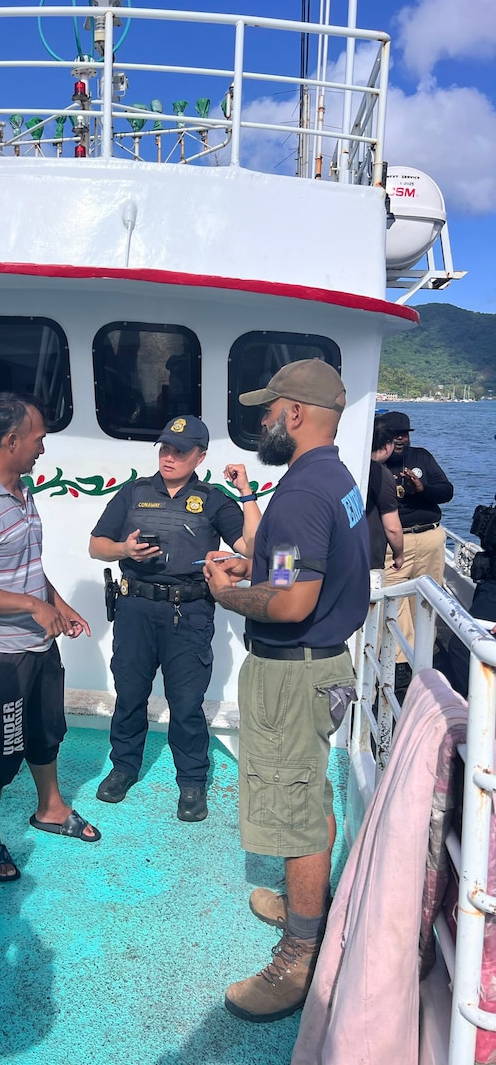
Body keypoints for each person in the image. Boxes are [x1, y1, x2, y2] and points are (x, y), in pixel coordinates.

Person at [202, 359, 370, 1023]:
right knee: (311, 793)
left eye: (269, 408)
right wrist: (255, 565)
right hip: (325, 667)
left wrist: (228, 591)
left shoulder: (300, 492)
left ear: (295, 414)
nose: (263, 419)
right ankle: (309, 905)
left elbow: (295, 600)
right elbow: (304, 567)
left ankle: (299, 956)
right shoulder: (334, 478)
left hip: (294, 673)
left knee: (295, 811)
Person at [0, 392, 99, 885]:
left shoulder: (23, 495)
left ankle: (50, 808)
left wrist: (57, 605)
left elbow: (27, 570)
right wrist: (34, 607)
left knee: (47, 732)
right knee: (1, 749)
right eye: (37, 439)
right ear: (11, 441)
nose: (42, 448)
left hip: (38, 649)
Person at [89, 416, 260, 822]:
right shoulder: (133, 492)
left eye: (180, 451)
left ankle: (192, 782)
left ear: (200, 456)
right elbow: (97, 546)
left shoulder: (214, 499)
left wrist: (245, 493)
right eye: (165, 448)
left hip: (189, 613)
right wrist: (125, 551)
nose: (169, 457)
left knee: (186, 703)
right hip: (135, 609)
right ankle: (124, 767)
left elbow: (254, 548)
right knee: (130, 694)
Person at [381, 410, 453, 666]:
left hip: (429, 536)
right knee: (394, 601)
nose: (400, 439)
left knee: (426, 601)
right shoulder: (375, 462)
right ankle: (400, 666)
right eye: (393, 435)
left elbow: (446, 491)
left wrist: (422, 489)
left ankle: (426, 657)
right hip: (395, 544)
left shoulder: (421, 456)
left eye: (404, 434)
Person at [366, 415, 404, 582]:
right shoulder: (381, 474)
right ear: (388, 446)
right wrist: (399, 554)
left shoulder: (345, 464)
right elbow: (392, 527)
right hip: (370, 560)